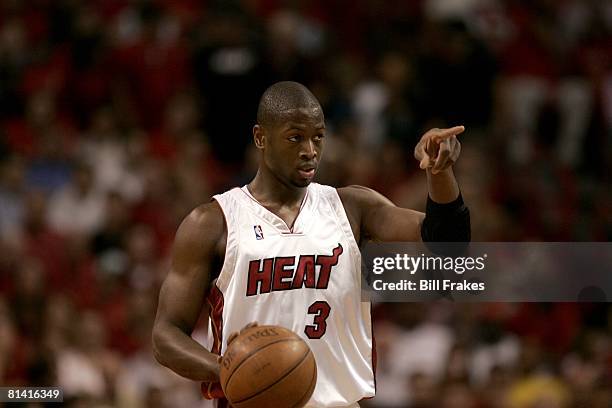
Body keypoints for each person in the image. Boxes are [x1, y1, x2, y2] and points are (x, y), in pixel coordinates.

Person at [152, 81, 470, 407]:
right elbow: (165, 336)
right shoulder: (213, 222)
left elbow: (448, 241)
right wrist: (227, 368)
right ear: (261, 138)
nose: (310, 150)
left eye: (318, 136)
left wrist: (440, 173)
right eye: (295, 137)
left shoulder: (352, 207)